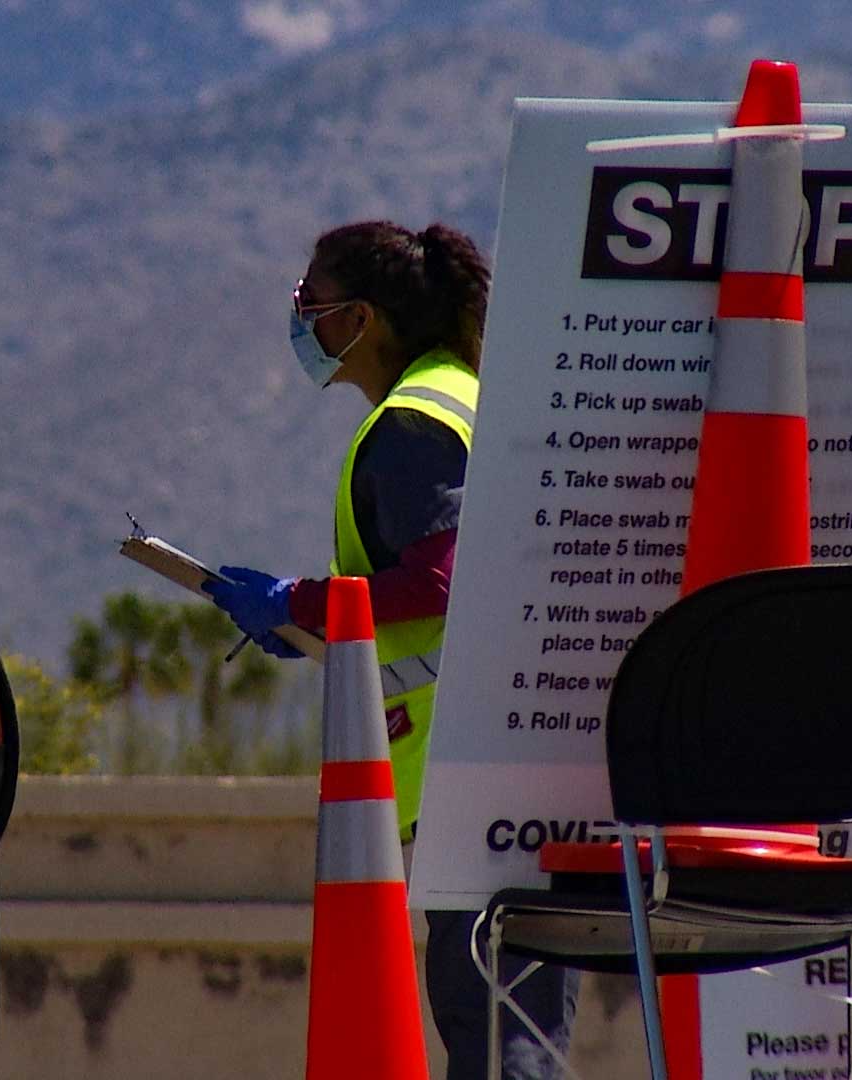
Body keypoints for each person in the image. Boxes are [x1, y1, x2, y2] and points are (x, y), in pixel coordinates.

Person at [201, 220, 571, 1078]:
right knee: (517, 1039)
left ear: (361, 318)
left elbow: (441, 583)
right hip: (511, 772)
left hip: (470, 787)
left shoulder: (412, 426)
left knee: (495, 1045)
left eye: (312, 304)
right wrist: (316, 626)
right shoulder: (465, 394)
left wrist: (296, 602)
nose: (302, 321)